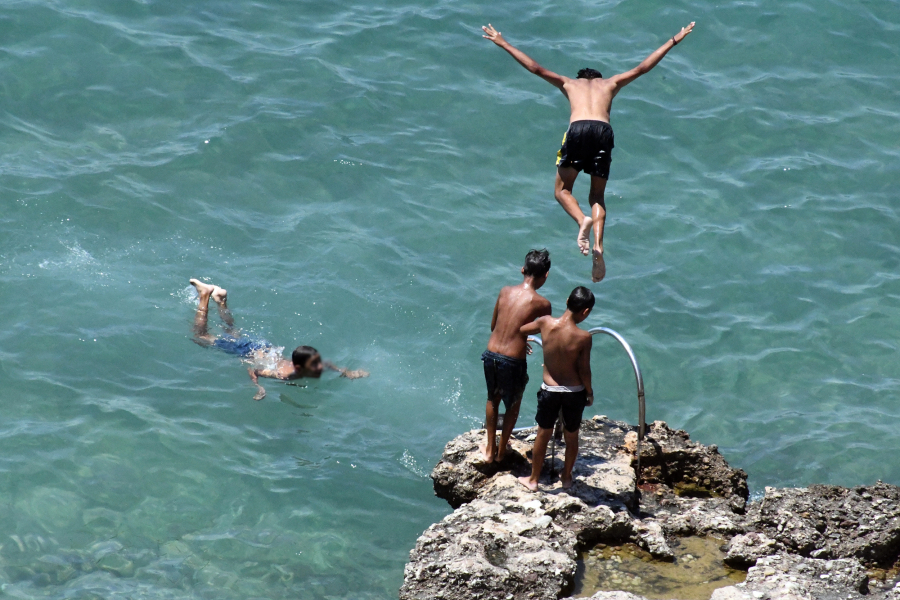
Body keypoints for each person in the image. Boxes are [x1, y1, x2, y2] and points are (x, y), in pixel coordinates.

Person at [482, 21, 696, 282]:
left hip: (579, 129)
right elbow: (643, 67)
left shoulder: (569, 84)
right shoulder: (611, 84)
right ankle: (598, 246)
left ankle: (581, 219)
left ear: (581, 78)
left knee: (562, 190)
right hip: (604, 131)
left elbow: (535, 68)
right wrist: (675, 39)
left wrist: (503, 43)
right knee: (597, 195)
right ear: (599, 79)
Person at [189, 279, 368, 400]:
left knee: (232, 333)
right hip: (248, 351)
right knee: (201, 336)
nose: (318, 366)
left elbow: (329, 365)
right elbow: (254, 369)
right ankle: (205, 295)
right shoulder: (283, 374)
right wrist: (259, 388)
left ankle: (221, 300)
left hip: (263, 347)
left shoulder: (314, 365)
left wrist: (348, 372)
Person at [518, 286, 595, 491]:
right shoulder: (584, 337)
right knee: (571, 436)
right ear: (585, 312)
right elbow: (584, 370)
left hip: (549, 390)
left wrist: (524, 342)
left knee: (543, 434)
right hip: (574, 392)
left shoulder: (545, 323)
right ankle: (567, 478)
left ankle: (533, 479)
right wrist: (589, 392)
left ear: (567, 300)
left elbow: (522, 330)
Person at [481, 249, 553, 463]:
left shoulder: (504, 291)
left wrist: (519, 338)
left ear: (522, 270)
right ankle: (502, 452)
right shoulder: (542, 303)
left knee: (491, 398)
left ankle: (488, 451)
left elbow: (494, 326)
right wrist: (523, 339)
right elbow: (546, 333)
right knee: (513, 404)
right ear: (545, 275)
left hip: (490, 353)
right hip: (512, 360)